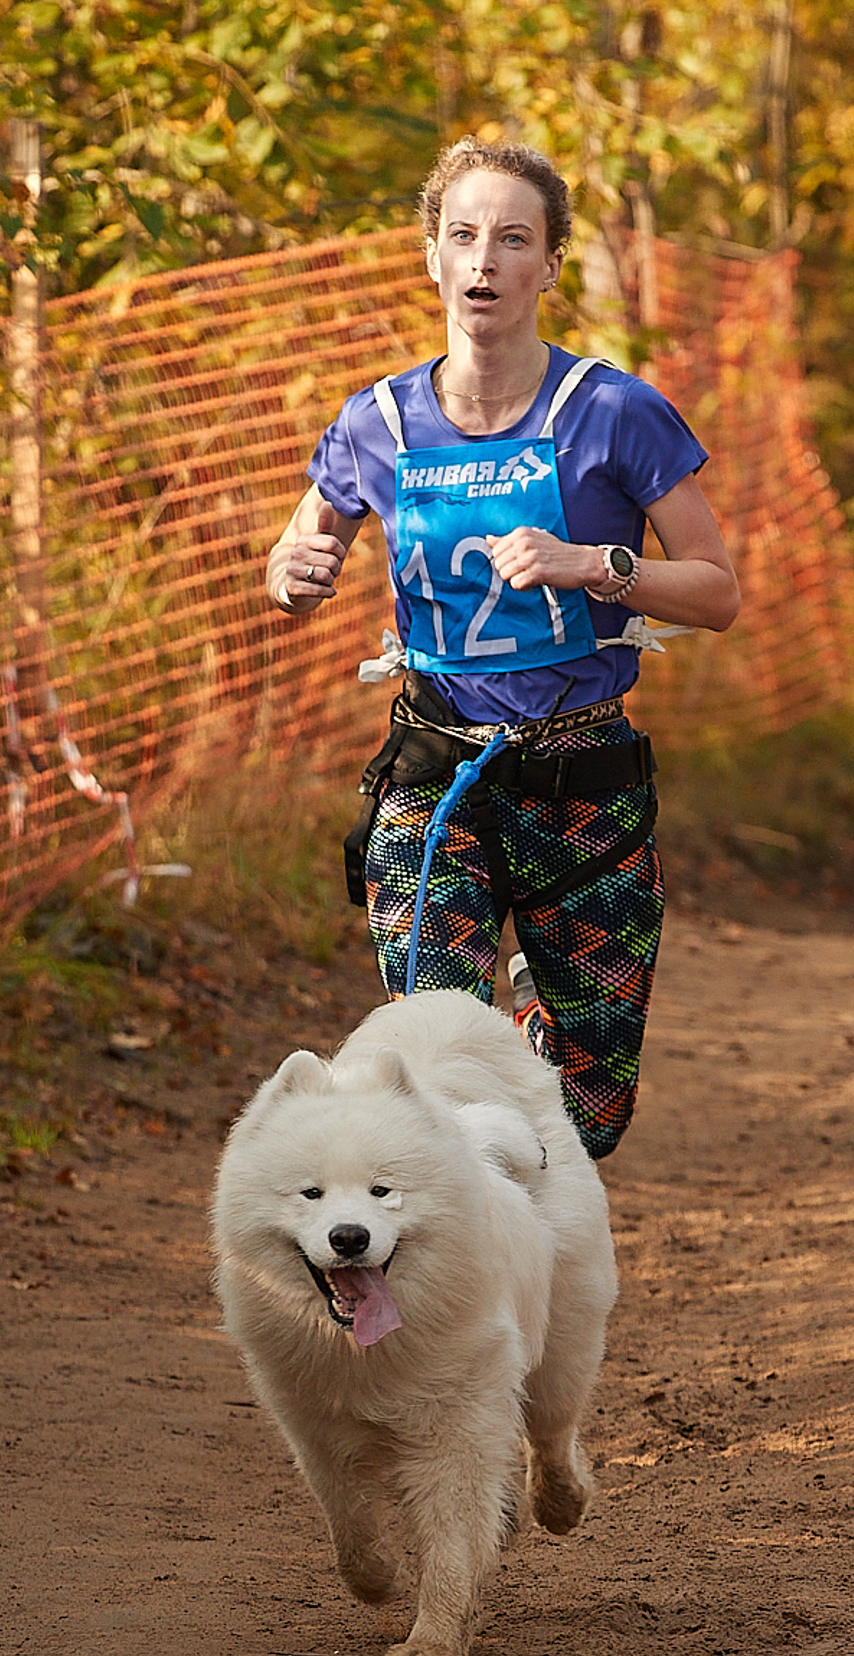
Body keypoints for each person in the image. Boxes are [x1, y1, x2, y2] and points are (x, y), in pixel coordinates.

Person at [266, 137, 739, 1161]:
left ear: (549, 266)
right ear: (432, 255)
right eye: (464, 235)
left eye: (513, 238)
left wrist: (594, 565)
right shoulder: (378, 421)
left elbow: (717, 592)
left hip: (582, 776)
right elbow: (300, 551)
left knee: (587, 1121)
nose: (485, 259)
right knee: (432, 1080)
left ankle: (535, 1023)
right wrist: (291, 578)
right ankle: (468, 1313)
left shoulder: (614, 413)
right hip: (434, 778)